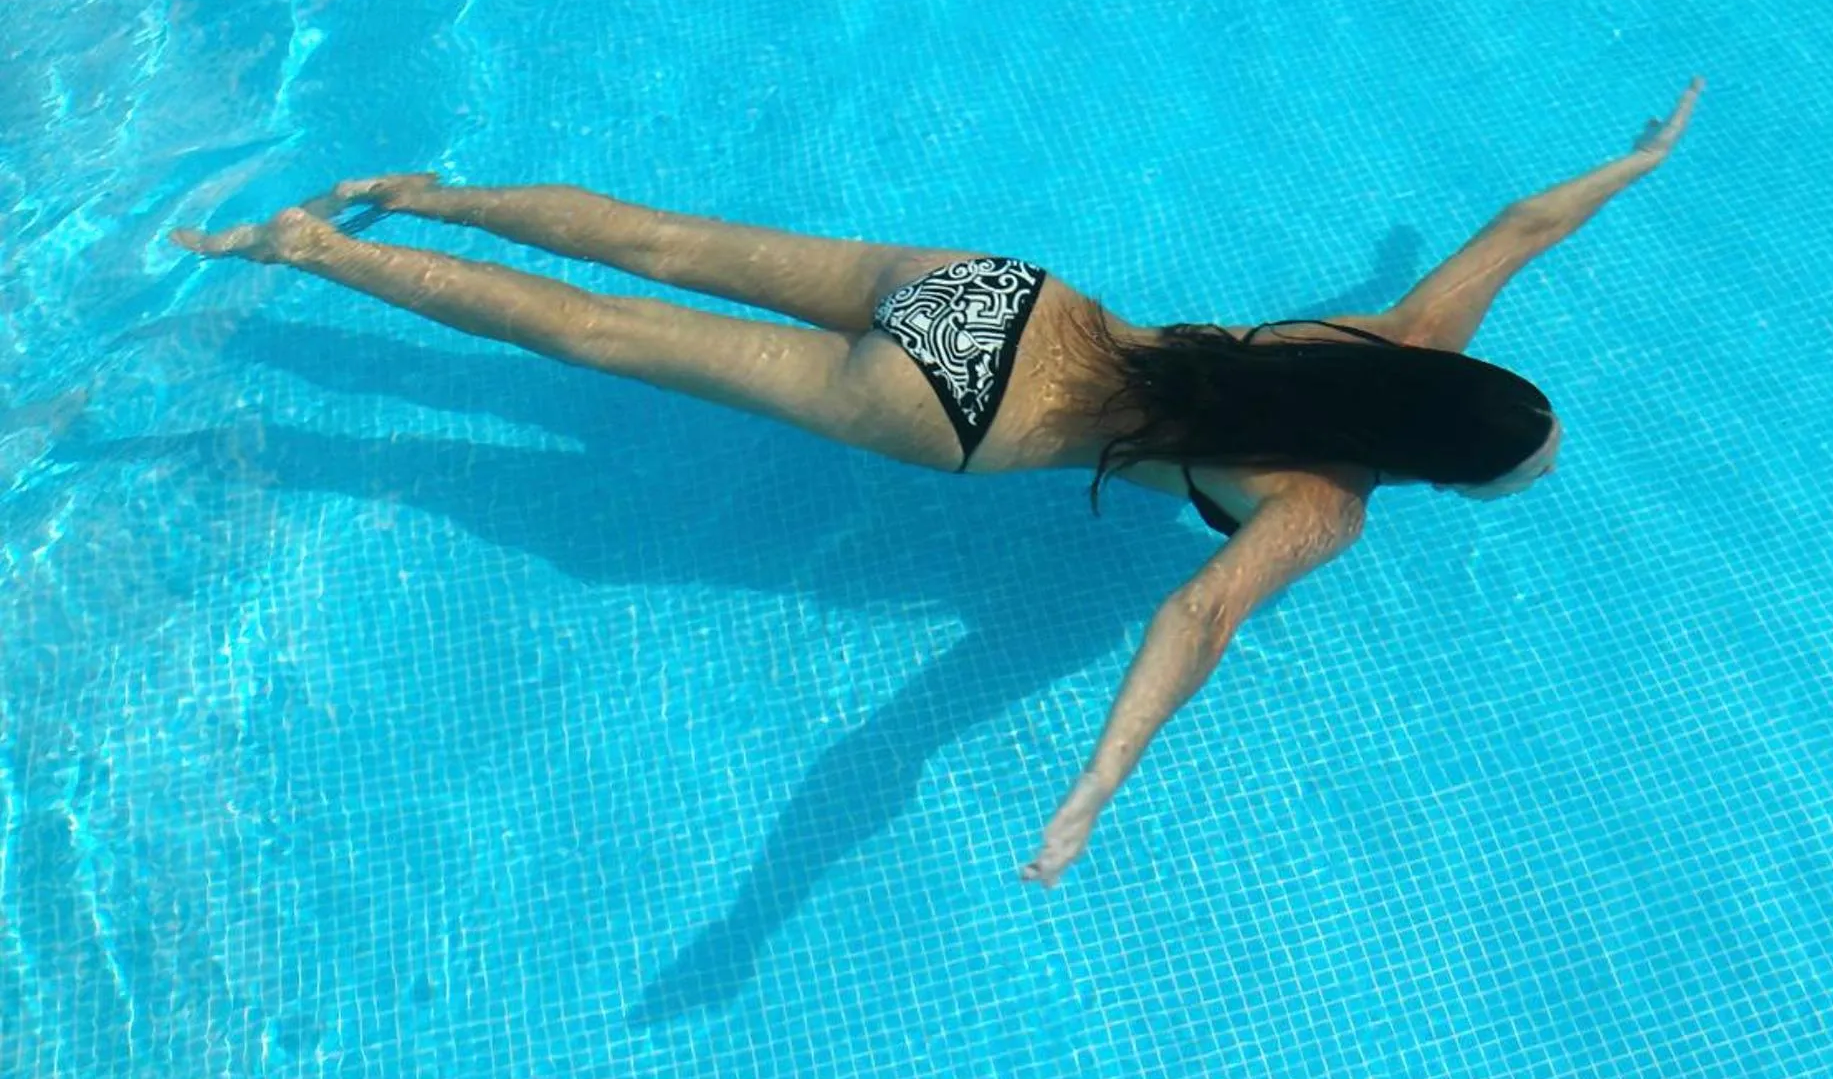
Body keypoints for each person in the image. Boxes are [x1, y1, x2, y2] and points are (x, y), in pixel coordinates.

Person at [175, 79, 1703, 883]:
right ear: (1437, 472)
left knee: (663, 238)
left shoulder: (1409, 339)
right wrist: (1096, 786)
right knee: (604, 333)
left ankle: (416, 192)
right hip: (962, 409)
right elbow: (1197, 621)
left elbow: (1521, 226)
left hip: (1006, 298)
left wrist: (1637, 163)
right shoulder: (1327, 506)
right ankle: (315, 253)